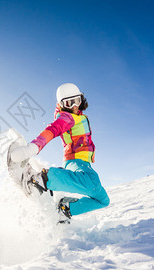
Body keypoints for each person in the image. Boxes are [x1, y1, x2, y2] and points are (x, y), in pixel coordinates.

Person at [10, 83, 110, 222]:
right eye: (69, 103)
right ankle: (41, 179)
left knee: (103, 200)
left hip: (84, 163)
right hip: (75, 160)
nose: (74, 106)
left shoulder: (78, 115)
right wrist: (34, 147)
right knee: (92, 182)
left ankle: (66, 208)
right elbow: (53, 130)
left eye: (77, 101)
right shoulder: (66, 118)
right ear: (62, 105)